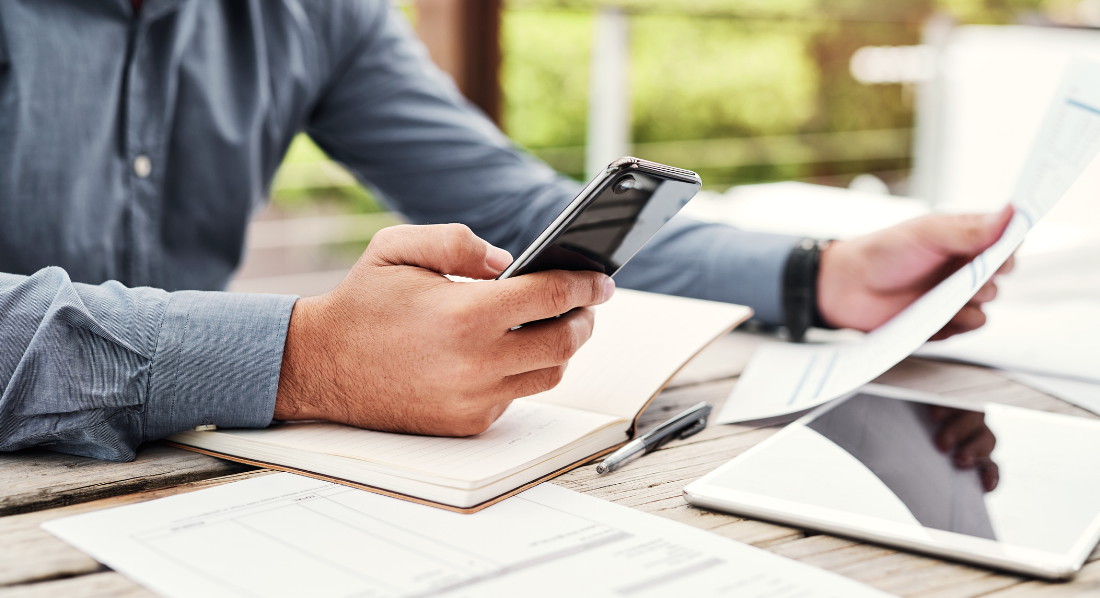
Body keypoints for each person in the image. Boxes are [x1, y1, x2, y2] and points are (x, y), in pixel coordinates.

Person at [0, 0, 1012, 461]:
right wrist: (305, 356)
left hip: (217, 470)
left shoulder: (314, 15)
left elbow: (519, 208)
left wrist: (819, 274)